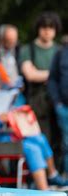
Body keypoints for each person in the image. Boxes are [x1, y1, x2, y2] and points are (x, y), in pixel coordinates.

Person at [0, 80, 68, 190]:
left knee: (39, 138)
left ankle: (52, 174)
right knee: (32, 148)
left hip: (4, 138)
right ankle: (44, 189)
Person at [19, 12, 61, 154]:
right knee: (41, 139)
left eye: (51, 27)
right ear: (38, 29)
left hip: (58, 101)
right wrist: (54, 75)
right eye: (44, 27)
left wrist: (42, 74)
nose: (47, 31)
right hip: (36, 101)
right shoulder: (27, 49)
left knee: (59, 140)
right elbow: (30, 75)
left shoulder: (60, 50)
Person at [48, 35, 68, 176]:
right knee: (66, 144)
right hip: (64, 107)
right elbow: (52, 79)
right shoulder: (61, 53)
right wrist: (57, 102)